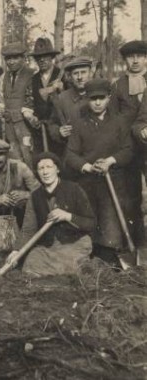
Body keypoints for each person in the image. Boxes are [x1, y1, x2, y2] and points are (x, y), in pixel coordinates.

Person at [65, 79, 134, 266]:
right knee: (89, 222)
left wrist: (110, 161)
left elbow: (128, 150)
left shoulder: (119, 122)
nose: (97, 103)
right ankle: (91, 255)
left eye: (101, 98)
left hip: (114, 180)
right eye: (93, 99)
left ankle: (113, 255)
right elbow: (70, 155)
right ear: (87, 99)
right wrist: (87, 166)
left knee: (111, 223)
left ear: (109, 98)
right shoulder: (79, 123)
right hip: (88, 181)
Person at [9, 152, 95, 277]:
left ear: (57, 169)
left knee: (70, 264)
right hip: (49, 247)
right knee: (31, 261)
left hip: (74, 243)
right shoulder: (35, 196)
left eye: (49, 167)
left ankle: (75, 272)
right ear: (37, 172)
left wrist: (67, 216)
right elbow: (28, 229)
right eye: (41, 168)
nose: (45, 172)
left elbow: (91, 223)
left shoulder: (74, 189)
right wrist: (16, 250)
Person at [111, 40, 147, 249]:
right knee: (132, 197)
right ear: (125, 60)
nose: (135, 61)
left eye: (140, 56)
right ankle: (138, 242)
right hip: (129, 149)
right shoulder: (118, 85)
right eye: (130, 57)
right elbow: (114, 119)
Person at [0, 42, 37, 167]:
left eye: (15, 58)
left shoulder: (33, 75)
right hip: (9, 125)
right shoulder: (4, 77)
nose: (11, 62)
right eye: (8, 58)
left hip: (26, 124)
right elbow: (2, 100)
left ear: (24, 58)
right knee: (14, 156)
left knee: (29, 155)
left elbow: (35, 100)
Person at [47, 56, 93, 159]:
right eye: (75, 73)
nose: (80, 77)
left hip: (97, 151)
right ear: (70, 77)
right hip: (72, 154)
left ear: (91, 73)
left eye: (83, 72)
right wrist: (59, 132)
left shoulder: (100, 95)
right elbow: (52, 124)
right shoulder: (62, 99)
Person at [29, 38, 63, 155]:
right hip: (39, 129)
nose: (42, 60)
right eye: (38, 57)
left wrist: (62, 89)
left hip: (58, 129)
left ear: (52, 57)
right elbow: (30, 103)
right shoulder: (33, 79)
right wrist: (32, 117)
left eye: (45, 56)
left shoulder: (61, 75)